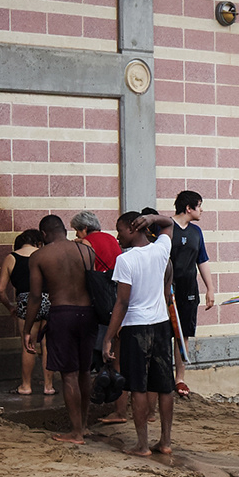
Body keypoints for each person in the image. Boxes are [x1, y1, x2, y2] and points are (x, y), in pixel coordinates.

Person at [106, 215, 179, 456]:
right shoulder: (160, 250)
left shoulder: (125, 259)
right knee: (165, 386)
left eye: (120, 231)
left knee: (138, 386)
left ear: (132, 228)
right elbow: (168, 224)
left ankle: (142, 445)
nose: (118, 236)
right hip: (160, 325)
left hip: (135, 328)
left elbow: (122, 302)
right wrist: (152, 218)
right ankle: (166, 442)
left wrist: (108, 337)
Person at [24, 214, 98, 443]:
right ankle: (84, 426)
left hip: (62, 313)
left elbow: (36, 296)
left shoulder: (39, 256)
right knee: (85, 371)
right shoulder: (87, 251)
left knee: (69, 375)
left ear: (44, 235)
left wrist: (28, 329)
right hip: (88, 314)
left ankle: (75, 432)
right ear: (65, 230)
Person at [0, 228, 54, 396]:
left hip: (25, 302)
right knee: (47, 345)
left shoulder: (11, 258)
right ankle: (49, 387)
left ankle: (26, 386)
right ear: (38, 242)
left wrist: (10, 306)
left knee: (28, 344)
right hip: (48, 299)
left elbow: (0, 290)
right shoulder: (46, 254)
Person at [167, 191, 212, 392]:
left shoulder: (196, 232)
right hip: (166, 289)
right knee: (163, 332)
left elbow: (202, 260)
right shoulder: (166, 228)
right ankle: (161, 375)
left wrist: (210, 289)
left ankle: (180, 378)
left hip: (189, 290)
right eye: (199, 205)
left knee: (183, 333)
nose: (201, 210)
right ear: (188, 208)